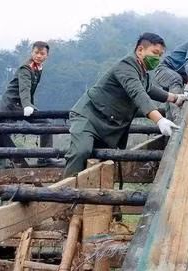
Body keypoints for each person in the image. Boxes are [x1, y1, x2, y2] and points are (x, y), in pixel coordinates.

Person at [62, 33, 180, 177]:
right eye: (155, 53)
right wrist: (159, 119)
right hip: (89, 117)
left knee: (102, 161)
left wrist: (174, 98)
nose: (157, 58)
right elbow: (138, 93)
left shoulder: (143, 73)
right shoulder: (127, 66)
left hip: (108, 124)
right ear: (140, 50)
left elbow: (150, 89)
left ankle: (88, 194)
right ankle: (65, 192)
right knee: (81, 151)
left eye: (160, 55)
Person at [0, 41, 52, 168]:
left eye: (42, 53)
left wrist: (30, 105)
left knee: (45, 124)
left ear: (47, 56)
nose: (39, 56)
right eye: (36, 53)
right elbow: (24, 88)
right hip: (11, 104)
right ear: (32, 53)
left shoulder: (38, 68)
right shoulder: (26, 68)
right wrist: (27, 106)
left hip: (23, 104)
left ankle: (44, 158)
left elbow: (30, 90)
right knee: (2, 133)